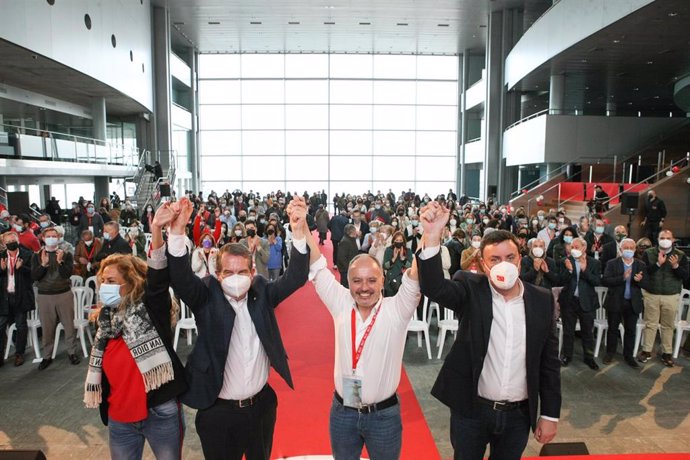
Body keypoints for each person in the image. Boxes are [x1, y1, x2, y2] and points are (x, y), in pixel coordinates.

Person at [165, 196, 311, 460]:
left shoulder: (263, 292)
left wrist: (299, 232)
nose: (235, 279)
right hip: (218, 412)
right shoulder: (206, 296)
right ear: (217, 274)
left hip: (260, 408)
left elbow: (297, 277)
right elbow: (180, 277)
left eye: (242, 272)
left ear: (252, 272)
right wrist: (176, 233)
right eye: (228, 273)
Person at [416, 202, 560, 460]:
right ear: (483, 264)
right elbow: (435, 288)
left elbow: (549, 363)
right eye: (495, 259)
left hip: (518, 414)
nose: (503, 264)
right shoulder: (470, 288)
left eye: (510, 258)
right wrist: (432, 235)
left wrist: (549, 414)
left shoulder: (542, 300)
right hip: (472, 410)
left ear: (520, 259)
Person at [303, 214, 420, 460]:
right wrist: (301, 225)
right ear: (347, 282)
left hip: (383, 417)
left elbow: (415, 280)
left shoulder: (396, 309)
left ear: (382, 281)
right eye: (357, 281)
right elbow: (317, 267)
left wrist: (430, 234)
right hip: (343, 412)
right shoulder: (340, 302)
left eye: (371, 280)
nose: (364, 287)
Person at [83, 202, 187, 459]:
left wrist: (156, 229)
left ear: (130, 284)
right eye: (102, 281)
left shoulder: (151, 309)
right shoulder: (105, 322)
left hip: (159, 412)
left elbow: (159, 276)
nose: (104, 287)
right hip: (119, 417)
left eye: (111, 282)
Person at [638, 229, 689, 367]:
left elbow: (686, 276)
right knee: (650, 324)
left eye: (668, 237)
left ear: (673, 240)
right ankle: (646, 350)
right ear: (658, 239)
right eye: (662, 237)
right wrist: (658, 264)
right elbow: (644, 273)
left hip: (671, 295)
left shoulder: (680, 255)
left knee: (668, 325)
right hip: (652, 294)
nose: (665, 239)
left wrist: (676, 266)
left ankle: (667, 353)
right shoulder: (649, 253)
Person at [31, 226, 78, 369]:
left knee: (69, 325)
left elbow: (67, 274)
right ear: (43, 238)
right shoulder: (36, 255)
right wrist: (44, 265)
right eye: (49, 236)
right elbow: (34, 276)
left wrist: (60, 261)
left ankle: (72, 352)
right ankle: (47, 356)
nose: (52, 238)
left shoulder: (66, 254)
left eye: (54, 236)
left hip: (63, 293)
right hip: (45, 295)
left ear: (58, 238)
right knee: (47, 328)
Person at [601, 238, 646, 368]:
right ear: (621, 249)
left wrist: (639, 281)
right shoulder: (612, 263)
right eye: (626, 248)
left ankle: (628, 356)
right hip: (615, 301)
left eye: (631, 248)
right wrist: (622, 278)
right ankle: (610, 353)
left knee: (630, 331)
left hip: (633, 303)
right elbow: (606, 281)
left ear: (635, 250)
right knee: (612, 329)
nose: (629, 250)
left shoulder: (640, 264)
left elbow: (647, 283)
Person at [558, 237, 601, 370]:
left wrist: (584, 270)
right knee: (568, 331)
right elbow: (560, 280)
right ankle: (567, 356)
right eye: (572, 247)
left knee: (588, 332)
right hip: (569, 301)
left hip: (587, 301)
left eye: (577, 247)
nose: (574, 249)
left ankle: (589, 358)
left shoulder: (594, 263)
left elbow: (596, 282)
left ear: (584, 248)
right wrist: (570, 271)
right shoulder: (565, 261)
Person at [0, 231, 34, 367]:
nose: (11, 243)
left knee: (21, 326)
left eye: (13, 240)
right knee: (1, 326)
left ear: (17, 240)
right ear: (4, 244)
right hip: (4, 297)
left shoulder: (27, 255)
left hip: (21, 296)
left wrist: (22, 268)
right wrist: (1, 270)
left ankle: (19, 353)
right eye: (8, 242)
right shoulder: (1, 257)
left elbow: (34, 275)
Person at [382, 231, 412, 297]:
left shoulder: (408, 251)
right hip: (390, 282)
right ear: (393, 241)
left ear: (403, 241)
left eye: (400, 240)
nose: (398, 242)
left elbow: (410, 266)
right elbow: (385, 266)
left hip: (403, 281)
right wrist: (393, 258)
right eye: (397, 240)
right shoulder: (389, 250)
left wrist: (403, 258)